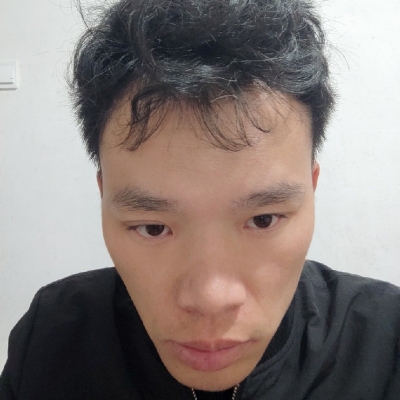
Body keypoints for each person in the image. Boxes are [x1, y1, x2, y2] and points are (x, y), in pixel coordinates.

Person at [1, 0, 399, 399]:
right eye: (153, 227)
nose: (211, 299)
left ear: (311, 188)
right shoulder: (53, 340)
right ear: (104, 196)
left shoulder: (385, 342)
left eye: (263, 219)